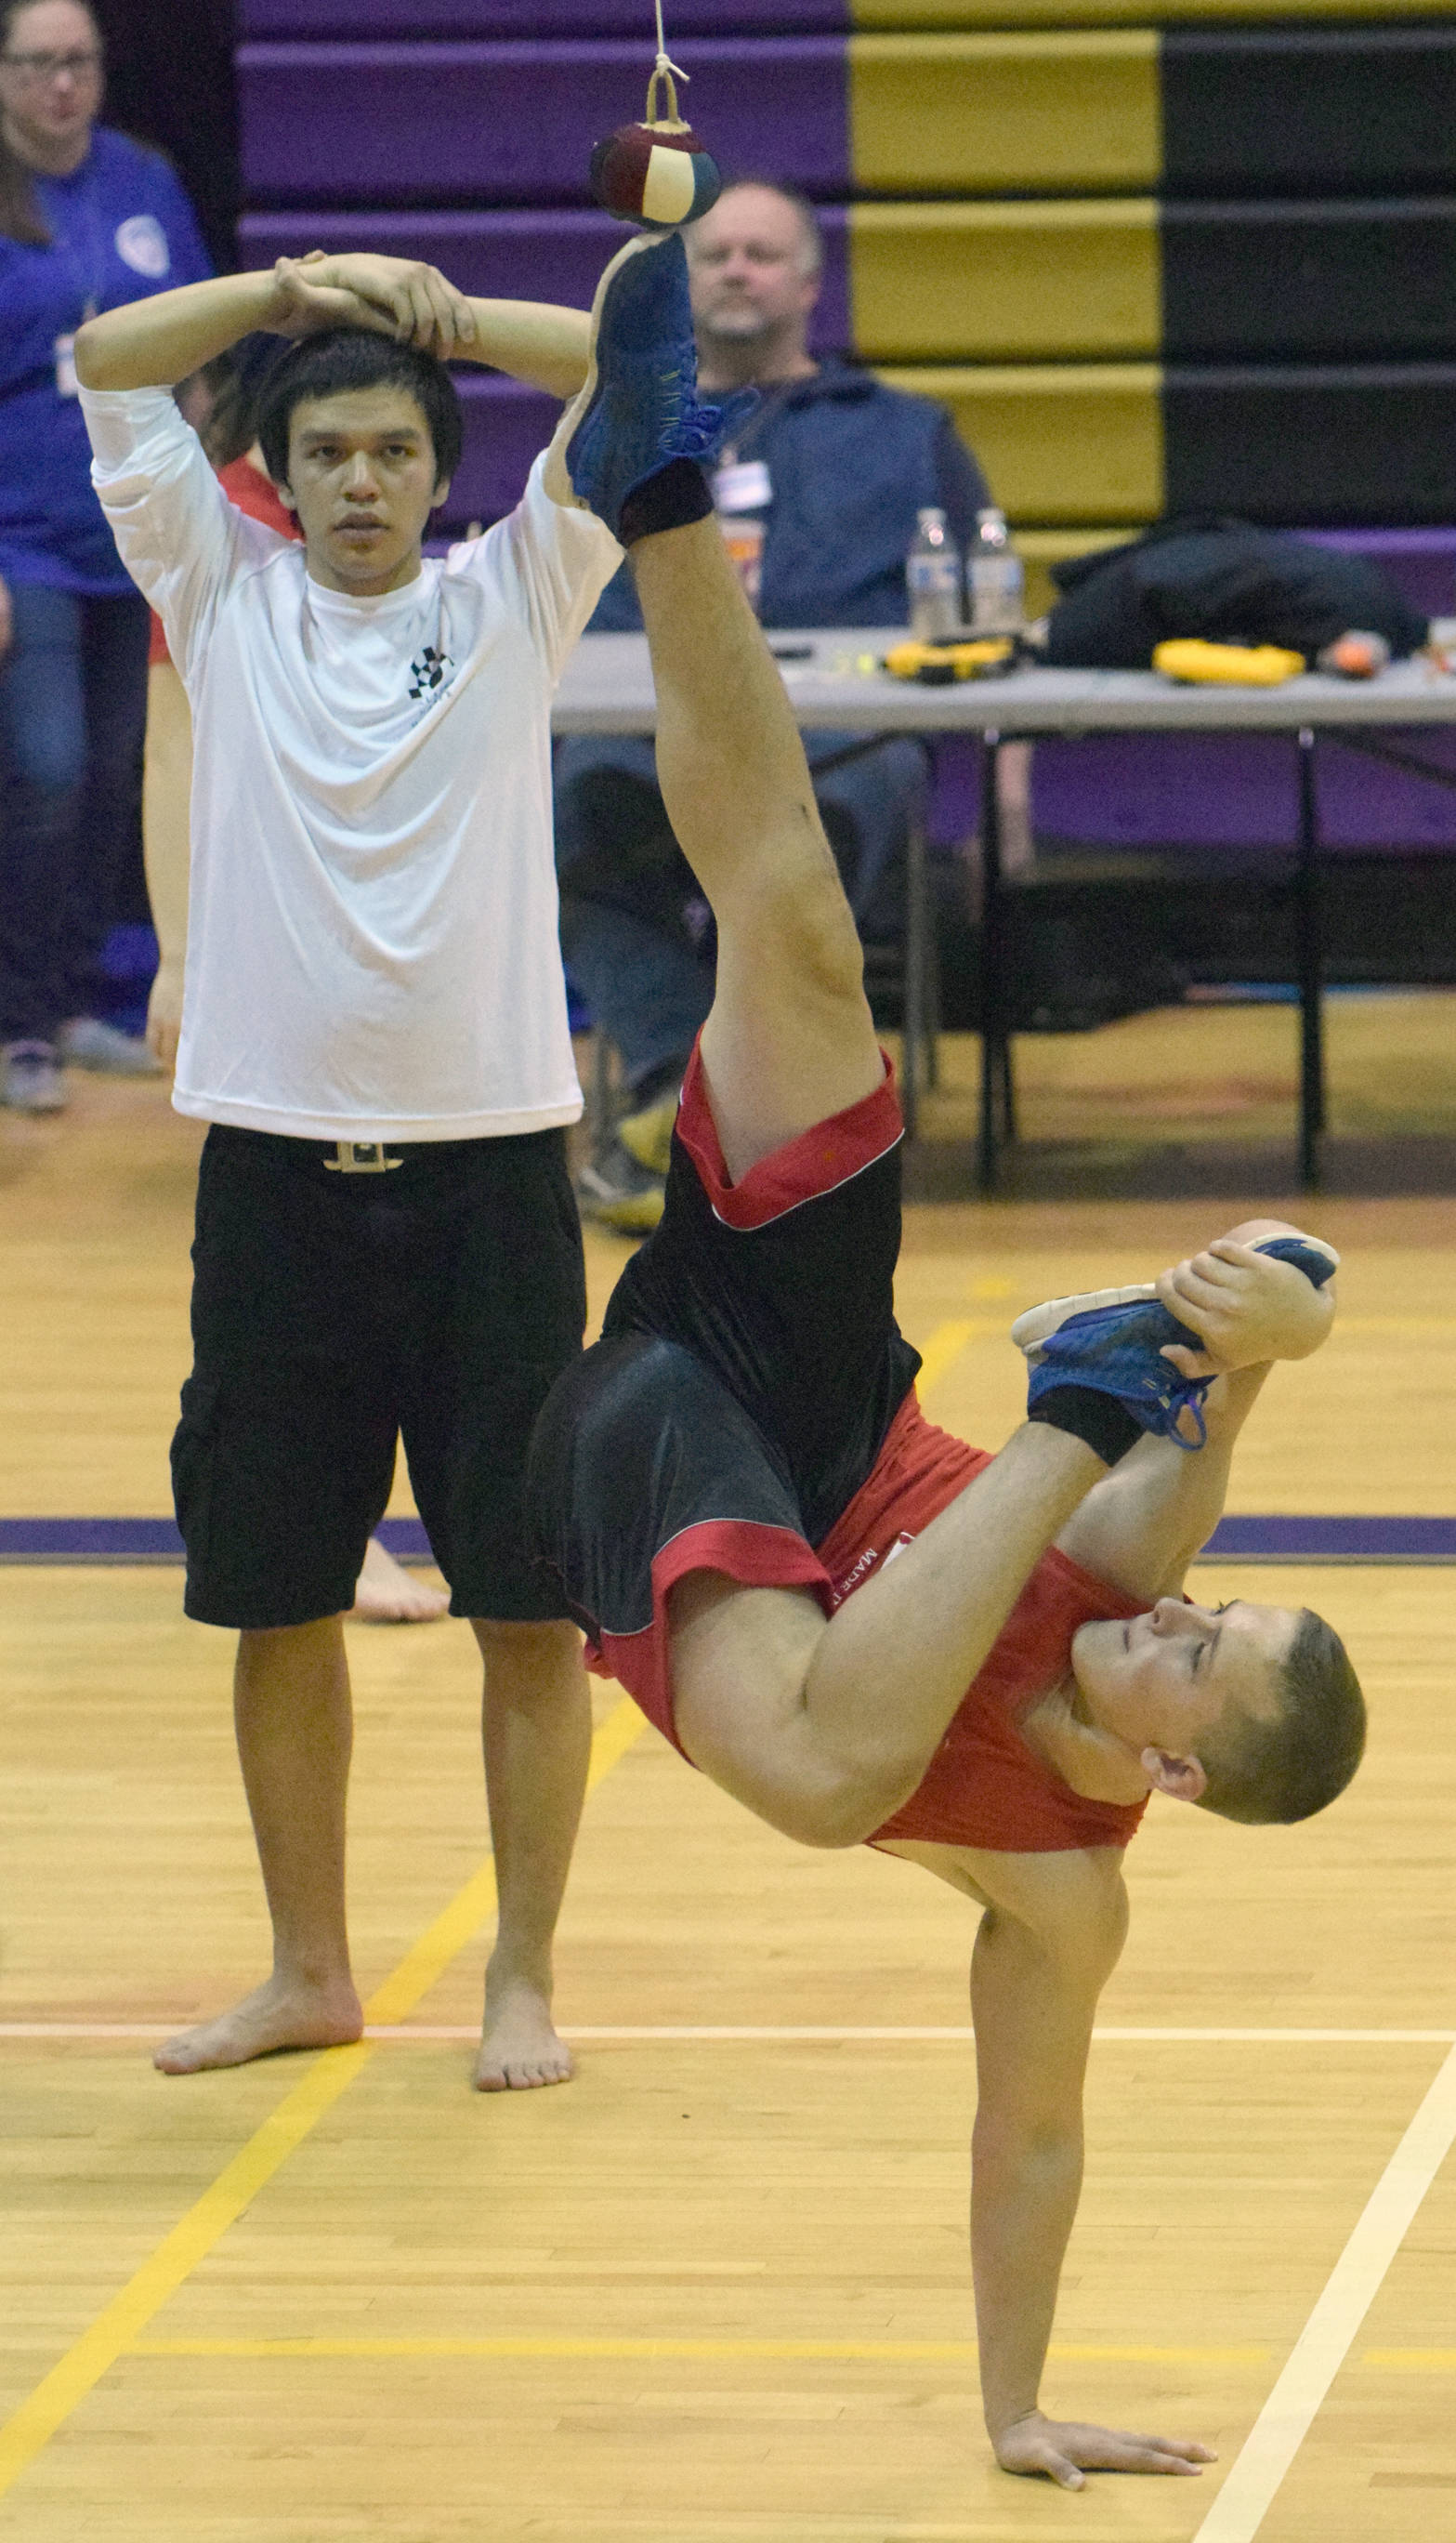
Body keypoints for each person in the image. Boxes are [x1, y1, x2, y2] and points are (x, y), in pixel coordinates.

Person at [529, 231, 1367, 2487]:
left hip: (672, 1478)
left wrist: (1012, 2406)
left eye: (1201, 1646)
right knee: (797, 926)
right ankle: (659, 489)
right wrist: (1260, 1315)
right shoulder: (1130, 1563)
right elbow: (1261, 1318)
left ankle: (1065, 1389)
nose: (1179, 1605)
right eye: (1210, 1598)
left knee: (813, 1776)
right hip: (797, 1382)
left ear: (1176, 1769)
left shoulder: (1062, 1876)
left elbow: (1026, 2127)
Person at [73, 244, 630, 2088]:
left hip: (491, 1188)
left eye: (394, 448)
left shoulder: (515, 596)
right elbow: (104, 354)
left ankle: (523, 1978)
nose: (364, 481)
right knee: (274, 1596)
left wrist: (442, 317)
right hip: (276, 1187)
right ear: (285, 477)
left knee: (528, 1607)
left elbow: (640, 353)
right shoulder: (219, 594)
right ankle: (309, 1970)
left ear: (436, 470)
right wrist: (293, 286)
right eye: (330, 454)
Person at [555, 178, 993, 1232]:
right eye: (714, 255)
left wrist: (1005, 796)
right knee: (568, 813)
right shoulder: (623, 434)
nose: (735, 271)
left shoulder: (906, 431)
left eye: (760, 253)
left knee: (827, 822)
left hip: (850, 737)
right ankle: (678, 1084)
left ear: (808, 282)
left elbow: (989, 605)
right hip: (649, 731)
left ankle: (751, 1115)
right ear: (684, 281)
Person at [141, 349, 448, 1627]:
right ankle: (328, 1528)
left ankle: (369, 1514)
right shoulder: (222, 538)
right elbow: (172, 742)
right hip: (266, 981)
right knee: (272, 1302)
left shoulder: (410, 548)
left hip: (412, 1009)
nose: (357, 479)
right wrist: (180, 947)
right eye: (324, 451)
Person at [0, 0, 210, 1113]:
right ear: (1, 73)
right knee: (49, 770)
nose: (60, 86)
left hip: (137, 528)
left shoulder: (142, 177)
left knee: (121, 774)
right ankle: (19, 1021)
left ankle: (78, 1001)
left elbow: (198, 340)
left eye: (77, 61)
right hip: (21, 534)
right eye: (36, 63)